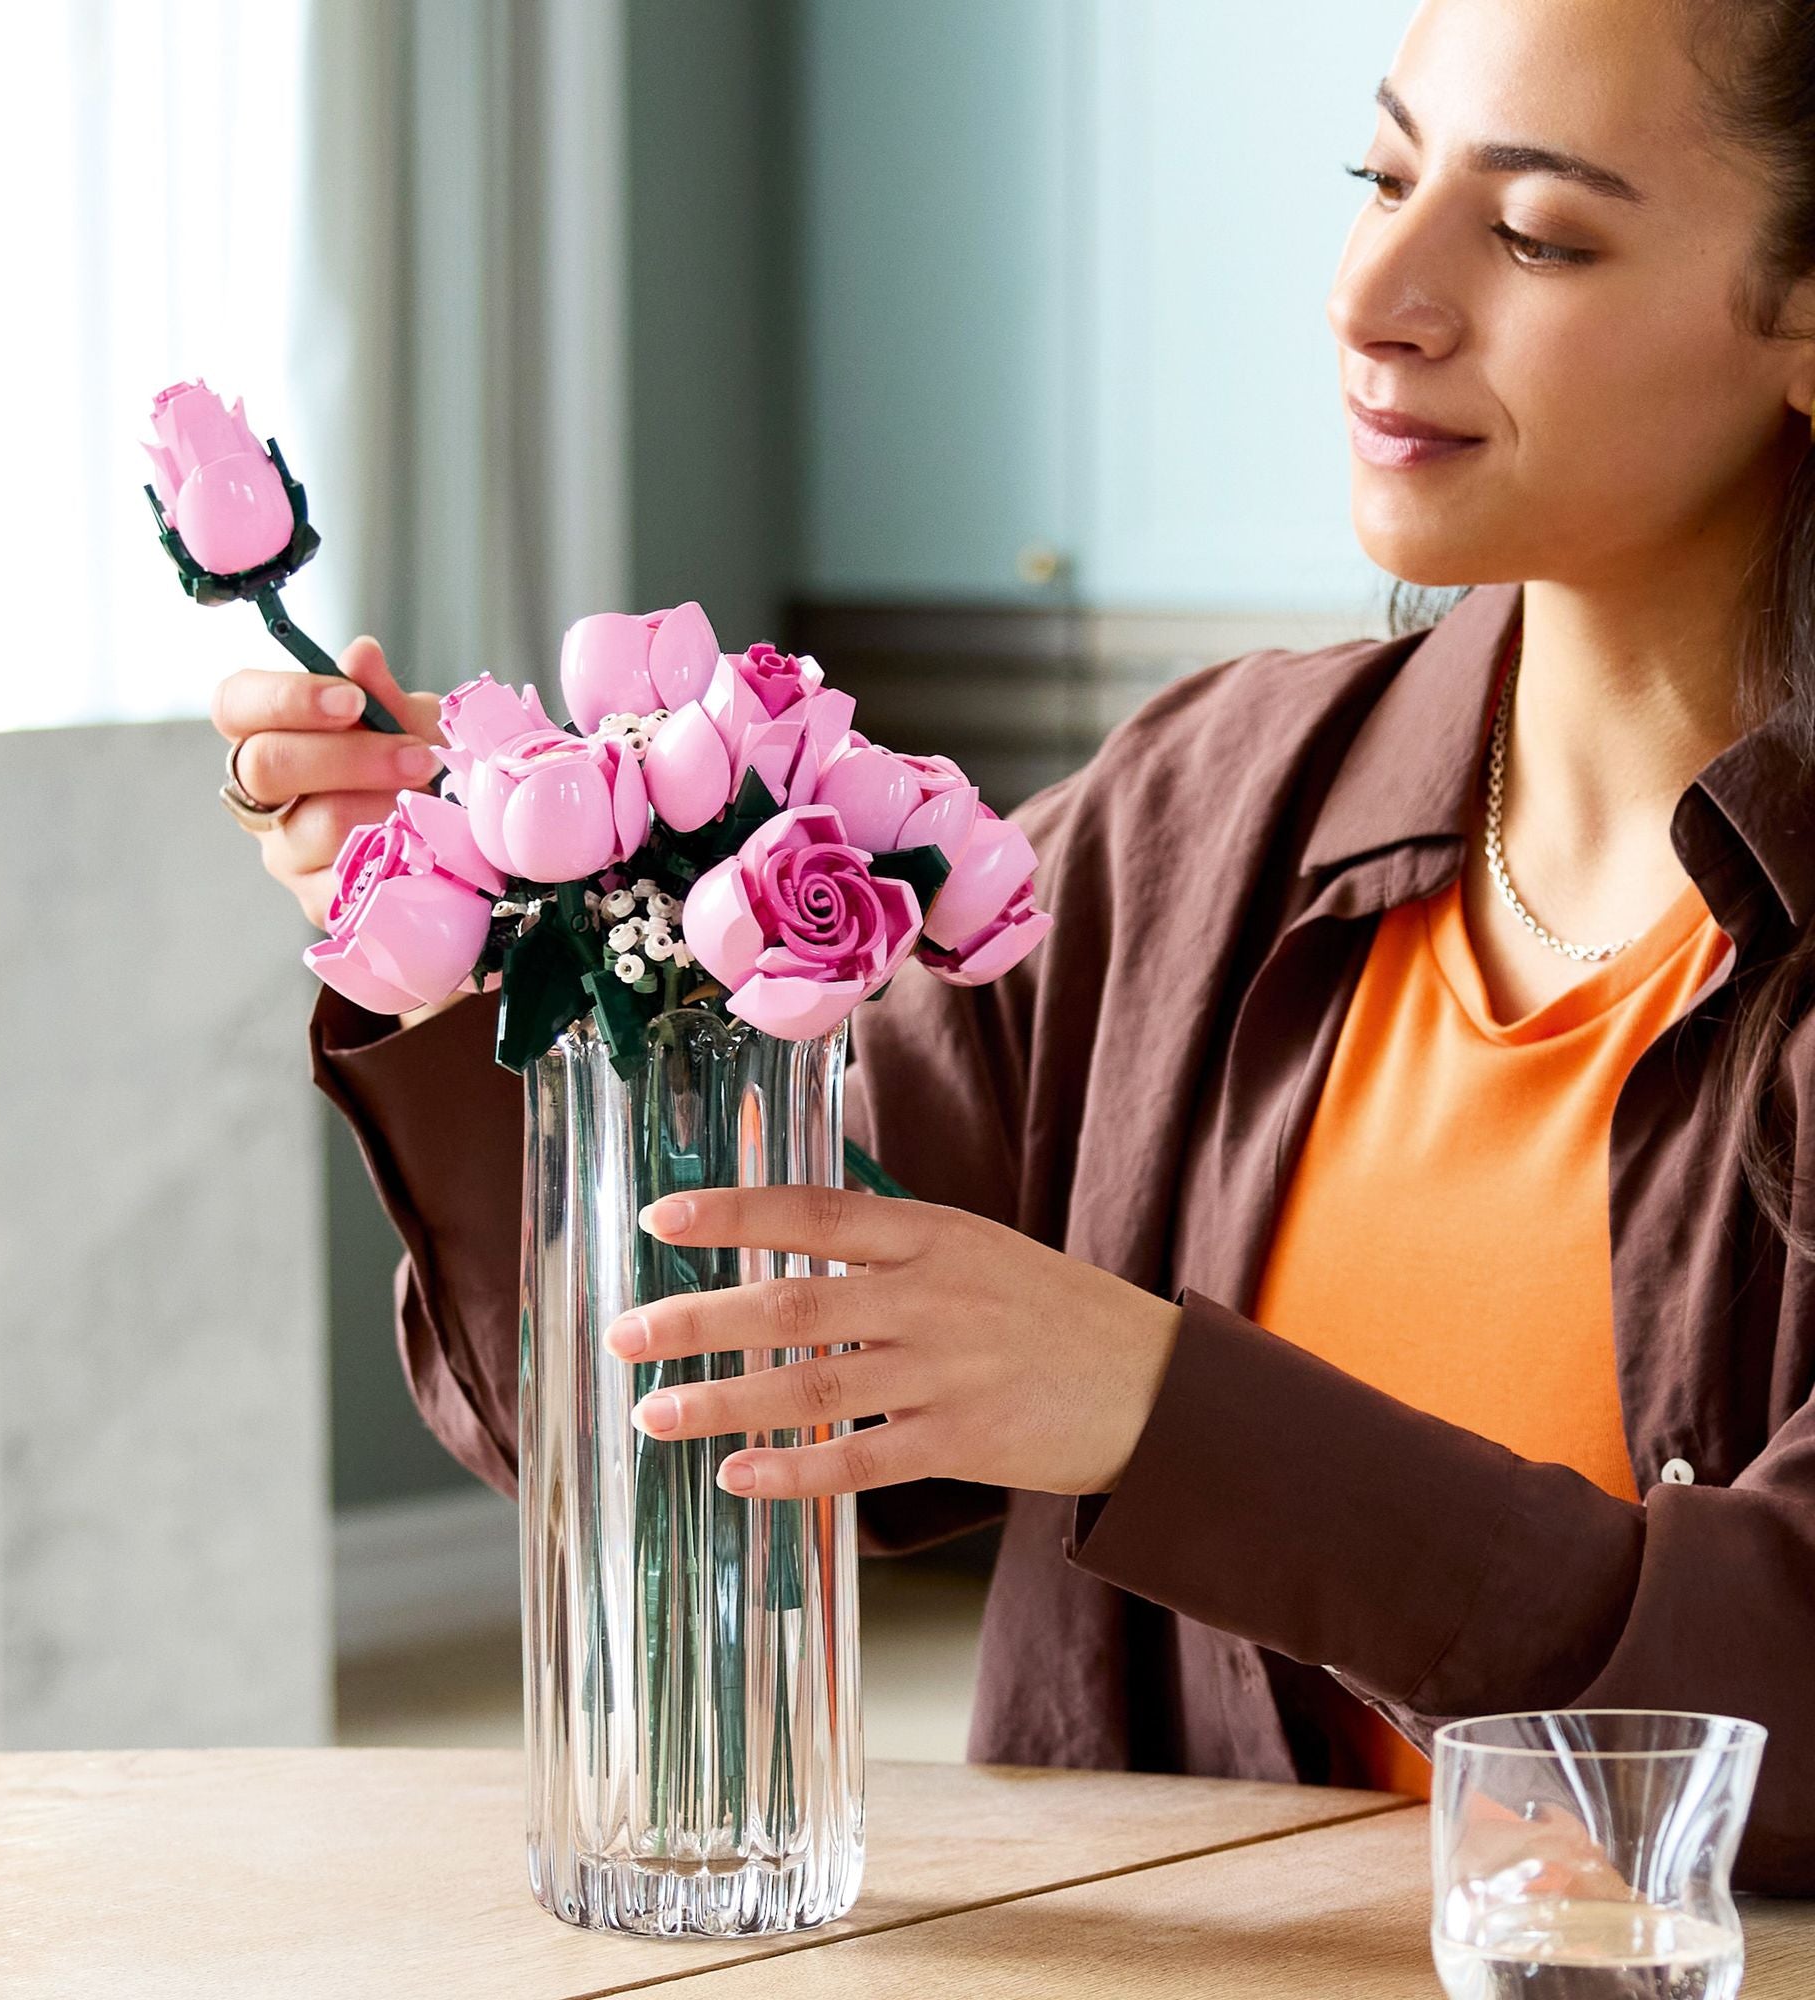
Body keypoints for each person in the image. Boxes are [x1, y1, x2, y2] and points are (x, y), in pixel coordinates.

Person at [211, 0, 1815, 1891]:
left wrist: (1155, 1405)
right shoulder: (1205, 806)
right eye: (1379, 178)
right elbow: (695, 1390)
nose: (1377, 290)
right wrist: (483, 968)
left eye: (1537, 232)